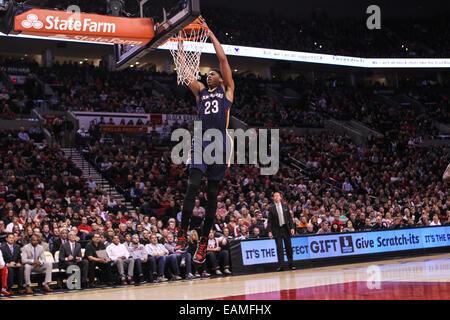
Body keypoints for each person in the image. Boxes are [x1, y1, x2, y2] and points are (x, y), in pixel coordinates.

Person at [177, 16, 235, 266]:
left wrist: (210, 32)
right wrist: (180, 45)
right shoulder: (200, 92)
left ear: (220, 79)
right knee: (192, 186)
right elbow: (185, 70)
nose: (209, 75)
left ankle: (202, 242)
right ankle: (182, 232)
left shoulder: (228, 90)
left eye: (212, 74)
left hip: (220, 144)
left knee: (212, 197)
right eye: (208, 74)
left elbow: (222, 60)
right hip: (201, 142)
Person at [267, 192, 295, 271]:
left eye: (277, 196)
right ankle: (281, 265)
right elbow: (270, 221)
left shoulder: (285, 206)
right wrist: (270, 231)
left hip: (286, 228)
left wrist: (292, 228)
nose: (276, 197)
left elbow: (290, 219)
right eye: (274, 196)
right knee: (279, 248)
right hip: (277, 229)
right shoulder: (271, 208)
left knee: (288, 247)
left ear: (280, 197)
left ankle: (291, 264)